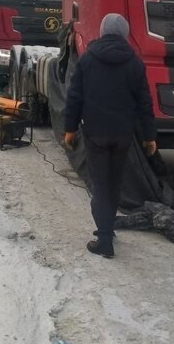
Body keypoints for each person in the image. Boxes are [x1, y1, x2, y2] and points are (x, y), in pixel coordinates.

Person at [63, 13, 157, 259]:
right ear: (124, 34)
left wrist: (70, 130)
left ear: (103, 31)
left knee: (100, 185)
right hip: (122, 135)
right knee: (114, 183)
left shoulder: (87, 60)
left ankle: (104, 238)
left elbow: (74, 98)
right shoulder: (134, 63)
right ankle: (107, 228)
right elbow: (145, 103)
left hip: (95, 133)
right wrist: (149, 137)